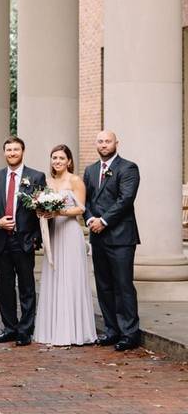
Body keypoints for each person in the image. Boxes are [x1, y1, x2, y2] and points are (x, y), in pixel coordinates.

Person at [0, 136, 47, 346]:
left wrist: (37, 237)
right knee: (5, 286)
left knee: (27, 286)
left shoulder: (36, 176)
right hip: (1, 240)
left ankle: (25, 330)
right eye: (8, 150)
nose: (12, 153)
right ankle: (9, 328)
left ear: (23, 151)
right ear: (4, 153)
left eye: (16, 149)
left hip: (25, 240)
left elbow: (42, 208)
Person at [83, 130, 141, 351]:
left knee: (123, 285)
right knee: (104, 285)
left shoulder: (128, 168)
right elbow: (84, 200)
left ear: (116, 143)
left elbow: (125, 199)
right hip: (97, 236)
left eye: (107, 141)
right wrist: (89, 220)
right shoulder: (90, 170)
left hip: (121, 237)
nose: (104, 145)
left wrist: (104, 221)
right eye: (100, 141)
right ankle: (111, 330)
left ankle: (129, 333)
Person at [35, 144, 96, 346]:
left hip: (69, 232)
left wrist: (58, 212)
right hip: (52, 232)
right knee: (54, 276)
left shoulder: (75, 180)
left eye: (61, 158)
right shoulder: (46, 181)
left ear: (69, 161)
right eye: (54, 158)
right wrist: (42, 212)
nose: (57, 161)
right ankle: (53, 330)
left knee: (70, 278)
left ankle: (73, 331)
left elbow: (81, 209)